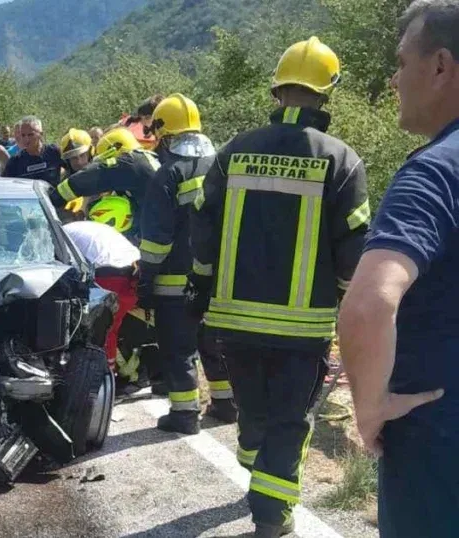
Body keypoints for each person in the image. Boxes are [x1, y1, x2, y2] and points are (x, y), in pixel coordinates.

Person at [191, 37, 371, 537]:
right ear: (327, 92)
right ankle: (271, 515)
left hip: (232, 321)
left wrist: (199, 287)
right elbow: (352, 248)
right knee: (290, 421)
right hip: (302, 328)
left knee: (254, 412)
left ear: (277, 90)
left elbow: (203, 229)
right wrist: (342, 299)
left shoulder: (233, 152)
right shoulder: (342, 160)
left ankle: (258, 468)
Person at [337, 3, 459, 536]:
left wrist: (370, 408)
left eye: (401, 61)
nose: (392, 79)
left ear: (440, 66)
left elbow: (368, 305)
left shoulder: (434, 175)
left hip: (439, 450)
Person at [137, 93, 235, 435]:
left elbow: (156, 240)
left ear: (164, 134)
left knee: (178, 348)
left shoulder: (168, 174)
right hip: (219, 281)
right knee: (214, 343)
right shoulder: (223, 166)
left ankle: (184, 413)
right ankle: (226, 404)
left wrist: (145, 278)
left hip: (175, 285)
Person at [50, 127, 159, 245]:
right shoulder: (143, 159)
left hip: (154, 231)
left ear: (114, 151)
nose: (78, 161)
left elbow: (82, 181)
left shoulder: (128, 162)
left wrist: (54, 198)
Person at [62, 217, 141, 375]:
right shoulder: (83, 228)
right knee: (110, 329)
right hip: (133, 275)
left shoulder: (60, 234)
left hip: (108, 277)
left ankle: (102, 377)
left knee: (99, 329)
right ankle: (108, 374)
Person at [4, 116, 65, 187]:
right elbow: (7, 186)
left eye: (30, 135)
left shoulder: (54, 152)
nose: (26, 139)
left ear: (41, 134)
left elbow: (71, 169)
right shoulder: (15, 162)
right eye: (23, 135)